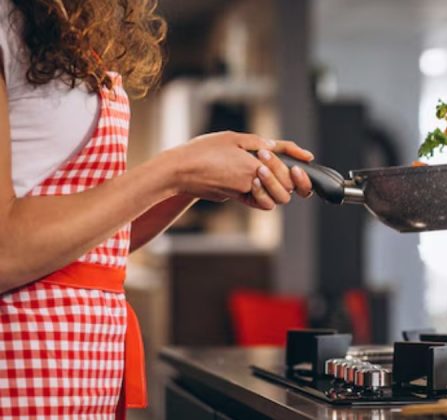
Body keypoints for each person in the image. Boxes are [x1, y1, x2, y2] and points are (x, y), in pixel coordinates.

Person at [0, 0, 314, 416]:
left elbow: (96, 244)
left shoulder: (60, 33)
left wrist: (194, 183)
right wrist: (177, 169)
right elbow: (6, 251)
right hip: (21, 362)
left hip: (82, 374)